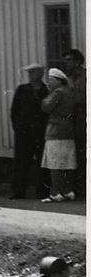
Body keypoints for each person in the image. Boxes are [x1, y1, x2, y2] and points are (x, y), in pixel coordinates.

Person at [10, 63, 50, 199]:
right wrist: (18, 127)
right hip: (23, 132)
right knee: (20, 161)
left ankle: (43, 191)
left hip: (40, 131)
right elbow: (14, 110)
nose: (30, 75)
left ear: (40, 74)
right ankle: (18, 191)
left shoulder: (46, 90)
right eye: (29, 72)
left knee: (42, 161)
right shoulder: (22, 89)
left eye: (32, 72)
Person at [40, 67, 78, 202]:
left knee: (54, 163)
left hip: (55, 130)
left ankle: (56, 193)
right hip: (68, 130)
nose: (49, 82)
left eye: (51, 80)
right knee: (67, 162)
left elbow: (46, 106)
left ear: (59, 81)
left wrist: (47, 96)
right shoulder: (69, 91)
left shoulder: (57, 92)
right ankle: (68, 190)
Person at [63, 48, 86, 198]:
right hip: (71, 117)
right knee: (75, 151)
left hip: (84, 113)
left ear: (78, 61)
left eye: (69, 60)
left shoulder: (85, 76)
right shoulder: (67, 78)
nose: (67, 64)